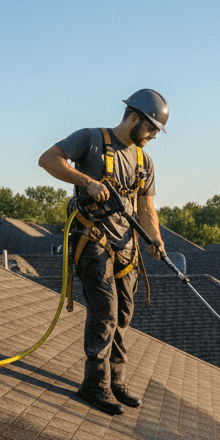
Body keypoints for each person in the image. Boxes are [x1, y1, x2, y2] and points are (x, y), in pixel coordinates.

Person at [38, 89, 169, 415]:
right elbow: (48, 159)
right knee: (106, 311)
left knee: (124, 314)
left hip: (127, 249)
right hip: (92, 239)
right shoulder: (90, 139)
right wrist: (85, 181)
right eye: (152, 128)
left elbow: (146, 208)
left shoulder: (144, 161)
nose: (153, 136)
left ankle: (115, 380)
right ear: (135, 117)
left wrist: (155, 239)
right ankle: (93, 384)